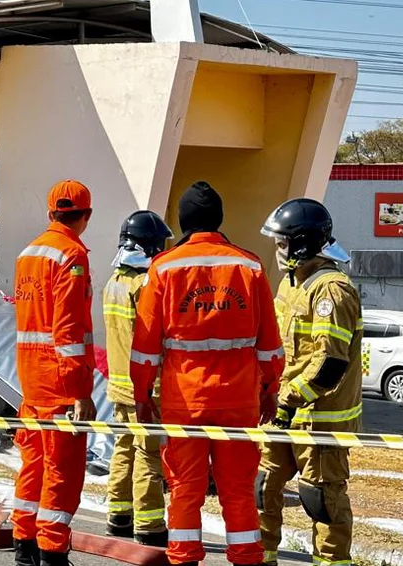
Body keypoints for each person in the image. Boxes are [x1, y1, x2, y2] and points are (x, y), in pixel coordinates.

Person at [130, 182, 283, 566]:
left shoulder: (163, 268)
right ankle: (247, 558)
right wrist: (270, 389)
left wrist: (142, 395)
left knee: (185, 488)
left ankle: (183, 559)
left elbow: (145, 344)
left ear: (183, 222)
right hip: (240, 399)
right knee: (238, 489)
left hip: (185, 401)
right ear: (219, 219)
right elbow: (270, 342)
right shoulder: (249, 266)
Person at [257, 198, 362, 566]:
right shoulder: (292, 284)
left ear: (302, 242)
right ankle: (262, 556)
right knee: (264, 488)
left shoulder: (331, 289)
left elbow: (330, 362)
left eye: (282, 242)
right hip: (284, 412)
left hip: (320, 417)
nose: (277, 248)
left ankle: (332, 562)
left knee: (322, 500)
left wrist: (288, 400)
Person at [11, 179, 96, 566]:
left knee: (34, 463)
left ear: (50, 214)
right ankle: (52, 551)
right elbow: (68, 331)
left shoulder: (29, 254)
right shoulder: (71, 256)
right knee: (62, 470)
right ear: (86, 216)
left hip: (31, 378)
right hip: (60, 381)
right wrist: (81, 390)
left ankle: (23, 542)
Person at [102, 210, 172, 547]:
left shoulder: (113, 282)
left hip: (118, 383)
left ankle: (118, 516)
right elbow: (153, 337)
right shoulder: (144, 285)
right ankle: (150, 524)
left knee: (124, 448)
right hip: (144, 386)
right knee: (148, 454)